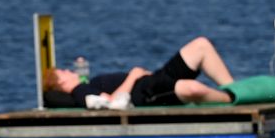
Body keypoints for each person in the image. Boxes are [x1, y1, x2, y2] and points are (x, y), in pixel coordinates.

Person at [43, 36, 237, 110]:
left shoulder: (86, 86)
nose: (68, 70)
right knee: (191, 88)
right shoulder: (80, 90)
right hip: (149, 94)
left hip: (155, 80)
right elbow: (113, 103)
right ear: (60, 83)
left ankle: (235, 88)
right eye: (63, 72)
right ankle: (232, 98)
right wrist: (133, 76)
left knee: (201, 45)